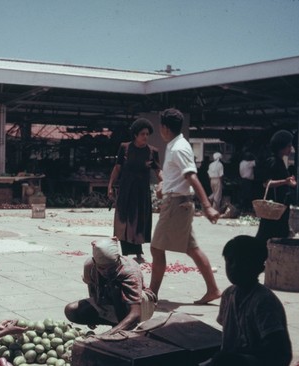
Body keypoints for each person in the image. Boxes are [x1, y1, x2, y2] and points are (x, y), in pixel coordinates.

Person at [166, 236, 292, 366]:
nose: (234, 267)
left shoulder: (263, 301)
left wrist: (233, 357)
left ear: (259, 267)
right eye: (230, 261)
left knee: (223, 362)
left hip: (265, 364)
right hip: (236, 360)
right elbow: (229, 337)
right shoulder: (229, 295)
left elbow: (278, 351)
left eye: (242, 263)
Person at [149, 108, 221, 304]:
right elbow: (180, 176)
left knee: (156, 248)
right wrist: (165, 186)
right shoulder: (176, 145)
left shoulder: (178, 147)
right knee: (192, 248)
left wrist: (207, 206)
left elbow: (191, 176)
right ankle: (213, 289)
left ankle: (151, 294)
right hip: (176, 201)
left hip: (176, 204)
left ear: (164, 127)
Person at [64, 237, 157, 336]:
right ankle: (118, 325)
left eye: (112, 267)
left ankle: (123, 327)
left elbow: (135, 314)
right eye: (102, 268)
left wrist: (105, 336)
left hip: (140, 305)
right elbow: (92, 287)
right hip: (110, 301)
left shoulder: (130, 271)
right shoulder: (90, 266)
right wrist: (93, 312)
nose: (107, 271)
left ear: (118, 260)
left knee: (115, 287)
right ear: (95, 262)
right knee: (71, 310)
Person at [108, 118, 162, 262]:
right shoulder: (125, 148)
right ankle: (125, 253)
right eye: (142, 134)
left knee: (138, 222)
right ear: (135, 135)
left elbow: (158, 172)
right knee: (124, 221)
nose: (145, 137)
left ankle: (139, 253)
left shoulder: (152, 152)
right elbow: (117, 168)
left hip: (141, 194)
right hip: (126, 191)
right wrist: (110, 186)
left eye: (147, 134)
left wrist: (166, 184)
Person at [255, 130, 297, 243]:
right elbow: (267, 183)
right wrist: (285, 181)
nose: (291, 149)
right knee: (269, 234)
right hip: (273, 206)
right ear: (281, 147)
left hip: (280, 205)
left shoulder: (280, 161)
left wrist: (289, 183)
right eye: (288, 146)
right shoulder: (273, 161)